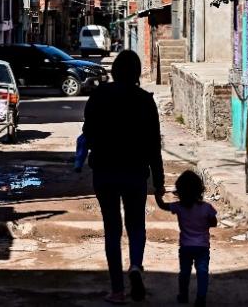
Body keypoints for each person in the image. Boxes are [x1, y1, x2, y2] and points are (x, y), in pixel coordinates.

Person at [81, 50, 164, 304]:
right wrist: (159, 183)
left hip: (105, 171)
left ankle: (117, 290)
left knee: (112, 229)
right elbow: (153, 145)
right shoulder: (144, 100)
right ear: (138, 73)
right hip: (136, 171)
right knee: (136, 224)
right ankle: (136, 265)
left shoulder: (98, 96)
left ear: (114, 71)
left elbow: (87, 131)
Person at [156, 170, 217, 306]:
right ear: (199, 190)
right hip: (202, 247)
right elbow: (214, 222)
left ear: (180, 191)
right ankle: (201, 298)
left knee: (184, 272)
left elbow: (162, 205)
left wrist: (158, 195)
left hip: (185, 247)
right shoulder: (206, 208)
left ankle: (183, 295)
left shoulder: (178, 207)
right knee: (202, 272)